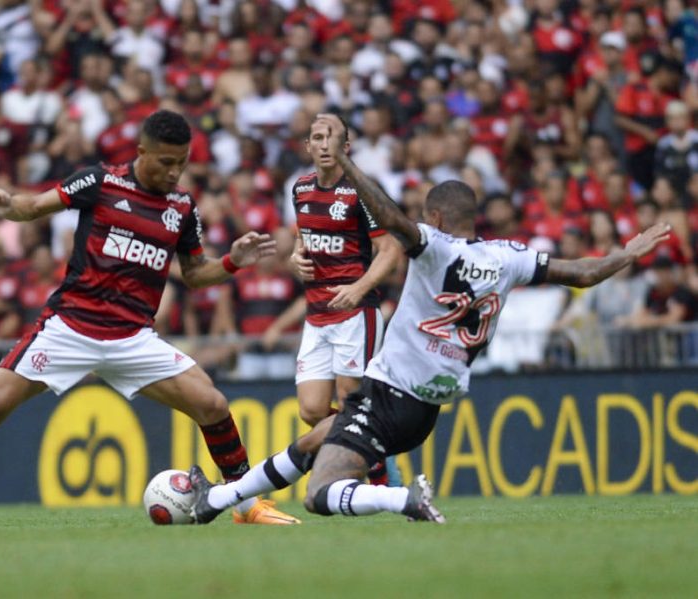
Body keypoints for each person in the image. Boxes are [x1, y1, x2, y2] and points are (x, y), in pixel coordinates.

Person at [188, 113, 672, 524]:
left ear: (435, 219)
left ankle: (403, 499)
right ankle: (219, 500)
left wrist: (347, 164)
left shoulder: (433, 247)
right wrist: (625, 254)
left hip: (389, 394)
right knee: (316, 436)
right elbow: (583, 273)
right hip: (425, 410)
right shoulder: (509, 257)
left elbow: (391, 221)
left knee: (320, 494)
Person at [0, 110, 299, 532]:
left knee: (213, 405)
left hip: (132, 338)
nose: (174, 173)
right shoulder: (101, 182)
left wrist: (231, 261)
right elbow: (35, 205)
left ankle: (246, 504)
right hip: (71, 327)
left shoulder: (182, 207)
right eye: (166, 162)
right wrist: (9, 206)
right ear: (141, 152)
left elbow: (196, 274)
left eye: (181, 164)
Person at [286, 113, 401, 484]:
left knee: (351, 400)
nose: (324, 145)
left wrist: (359, 288)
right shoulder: (301, 189)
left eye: (332, 138)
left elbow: (390, 250)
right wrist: (295, 258)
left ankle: (382, 484)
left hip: (355, 313)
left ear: (346, 147)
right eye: (318, 138)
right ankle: (375, 447)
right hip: (316, 313)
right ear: (307, 146)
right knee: (311, 409)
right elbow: (304, 240)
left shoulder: (361, 190)